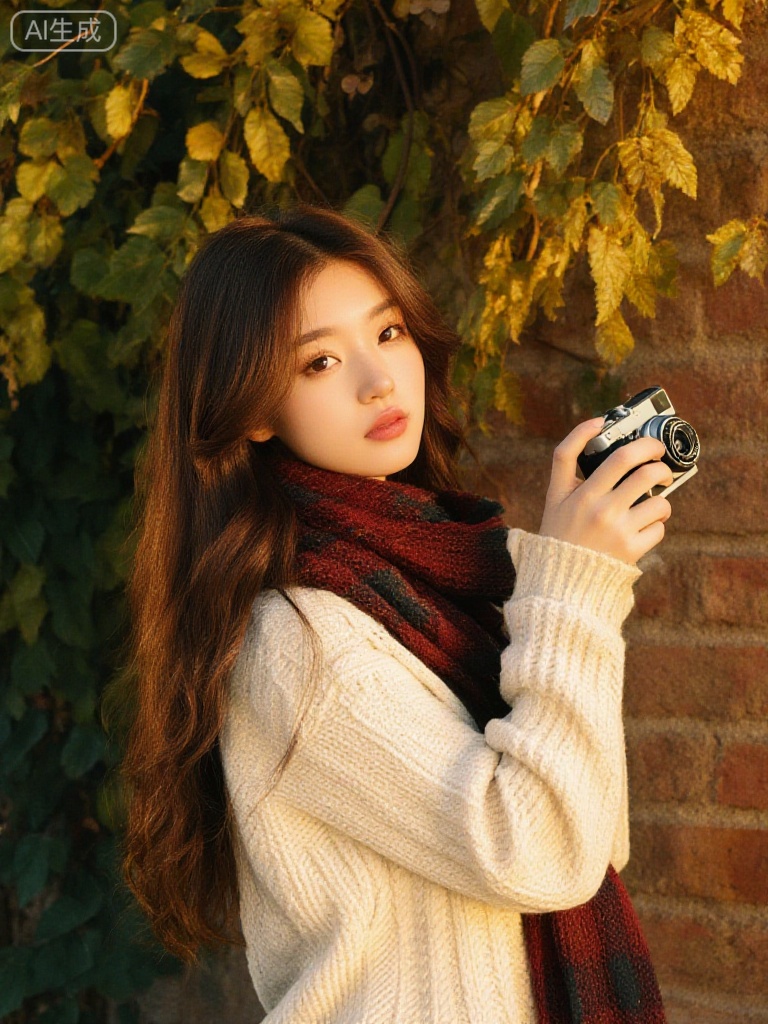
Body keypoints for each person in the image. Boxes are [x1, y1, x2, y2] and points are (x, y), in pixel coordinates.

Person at [121, 204, 673, 1023]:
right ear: (254, 410)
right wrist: (576, 589)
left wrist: (562, 588)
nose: (377, 382)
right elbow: (543, 853)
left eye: (387, 335)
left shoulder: (440, 578)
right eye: (318, 362)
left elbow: (595, 843)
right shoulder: (300, 640)